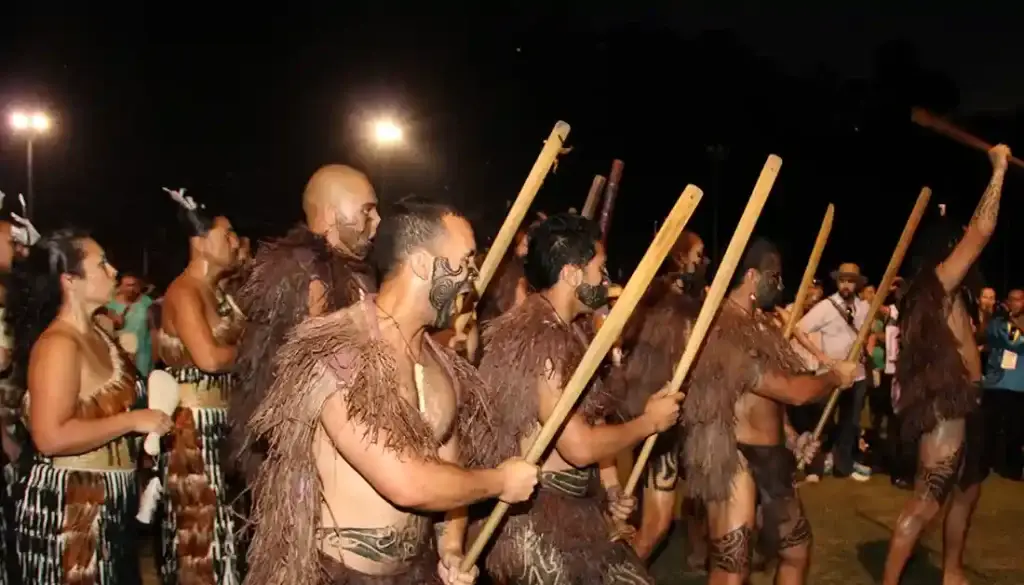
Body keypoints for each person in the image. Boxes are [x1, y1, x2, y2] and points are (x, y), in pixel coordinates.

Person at [243, 196, 539, 585]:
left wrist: (450, 548)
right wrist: (501, 482)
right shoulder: (340, 352)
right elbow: (407, 482)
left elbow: (448, 466)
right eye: (465, 261)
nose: (472, 277)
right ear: (420, 263)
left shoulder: (438, 362)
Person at [473, 213, 682, 585]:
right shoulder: (542, 338)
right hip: (539, 526)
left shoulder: (573, 331)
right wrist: (650, 422)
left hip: (578, 512)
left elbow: (590, 418)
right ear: (571, 274)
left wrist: (611, 486)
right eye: (600, 269)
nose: (606, 280)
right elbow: (578, 446)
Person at [681, 238, 856, 585]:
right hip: (735, 457)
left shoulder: (760, 325)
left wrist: (792, 438)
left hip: (771, 457)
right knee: (733, 567)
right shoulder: (722, 329)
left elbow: (767, 401)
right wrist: (834, 376)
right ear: (750, 275)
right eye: (773, 277)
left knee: (796, 551)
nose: (780, 285)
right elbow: (792, 391)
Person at [5, 229, 172, 583]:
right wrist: (131, 421)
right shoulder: (58, 344)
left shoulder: (98, 333)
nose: (114, 272)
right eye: (102, 264)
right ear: (70, 281)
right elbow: (50, 437)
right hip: (71, 512)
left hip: (110, 503)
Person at [882, 144, 1011, 585]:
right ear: (945, 250)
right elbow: (982, 230)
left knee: (966, 493)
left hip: (971, 402)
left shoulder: (948, 293)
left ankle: (952, 571)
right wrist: (997, 170)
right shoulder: (935, 283)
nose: (965, 254)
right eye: (957, 246)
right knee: (926, 501)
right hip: (947, 407)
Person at [227, 164, 379, 486]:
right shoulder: (307, 272)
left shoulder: (352, 270)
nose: (377, 221)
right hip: (309, 454)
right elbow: (304, 371)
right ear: (329, 214)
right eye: (367, 211)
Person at [155, 188, 245, 585]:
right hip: (192, 429)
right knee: (200, 536)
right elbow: (208, 358)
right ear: (200, 241)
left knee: (226, 533)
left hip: (221, 422)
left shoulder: (219, 291)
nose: (233, 242)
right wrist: (255, 349)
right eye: (226, 234)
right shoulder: (184, 290)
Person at [607, 230, 707, 567]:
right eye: (697, 254)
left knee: (690, 499)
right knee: (657, 523)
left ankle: (697, 551)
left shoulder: (684, 301)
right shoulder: (659, 300)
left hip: (675, 416)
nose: (702, 262)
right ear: (680, 257)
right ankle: (618, 576)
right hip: (657, 417)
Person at [798, 262, 873, 481]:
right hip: (830, 375)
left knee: (850, 423)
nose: (846, 285)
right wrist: (823, 358)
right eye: (843, 280)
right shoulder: (826, 307)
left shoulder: (865, 307)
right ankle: (814, 466)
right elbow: (799, 329)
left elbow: (868, 332)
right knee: (822, 421)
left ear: (857, 284)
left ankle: (843, 466)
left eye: (851, 281)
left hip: (856, 375)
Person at [981, 289, 1024, 480]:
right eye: (1012, 300)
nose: (1016, 304)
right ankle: (987, 463)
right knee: (990, 426)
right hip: (996, 382)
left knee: (1015, 428)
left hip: (1018, 383)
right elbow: (1012, 340)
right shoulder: (998, 323)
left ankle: (1012, 467)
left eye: (1020, 300)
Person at [101, 272, 156, 377]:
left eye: (134, 285)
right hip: (120, 356)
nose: (131, 289)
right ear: (120, 286)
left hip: (143, 356)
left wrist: (155, 356)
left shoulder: (147, 303)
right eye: (127, 285)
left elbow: (154, 329)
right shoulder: (109, 305)